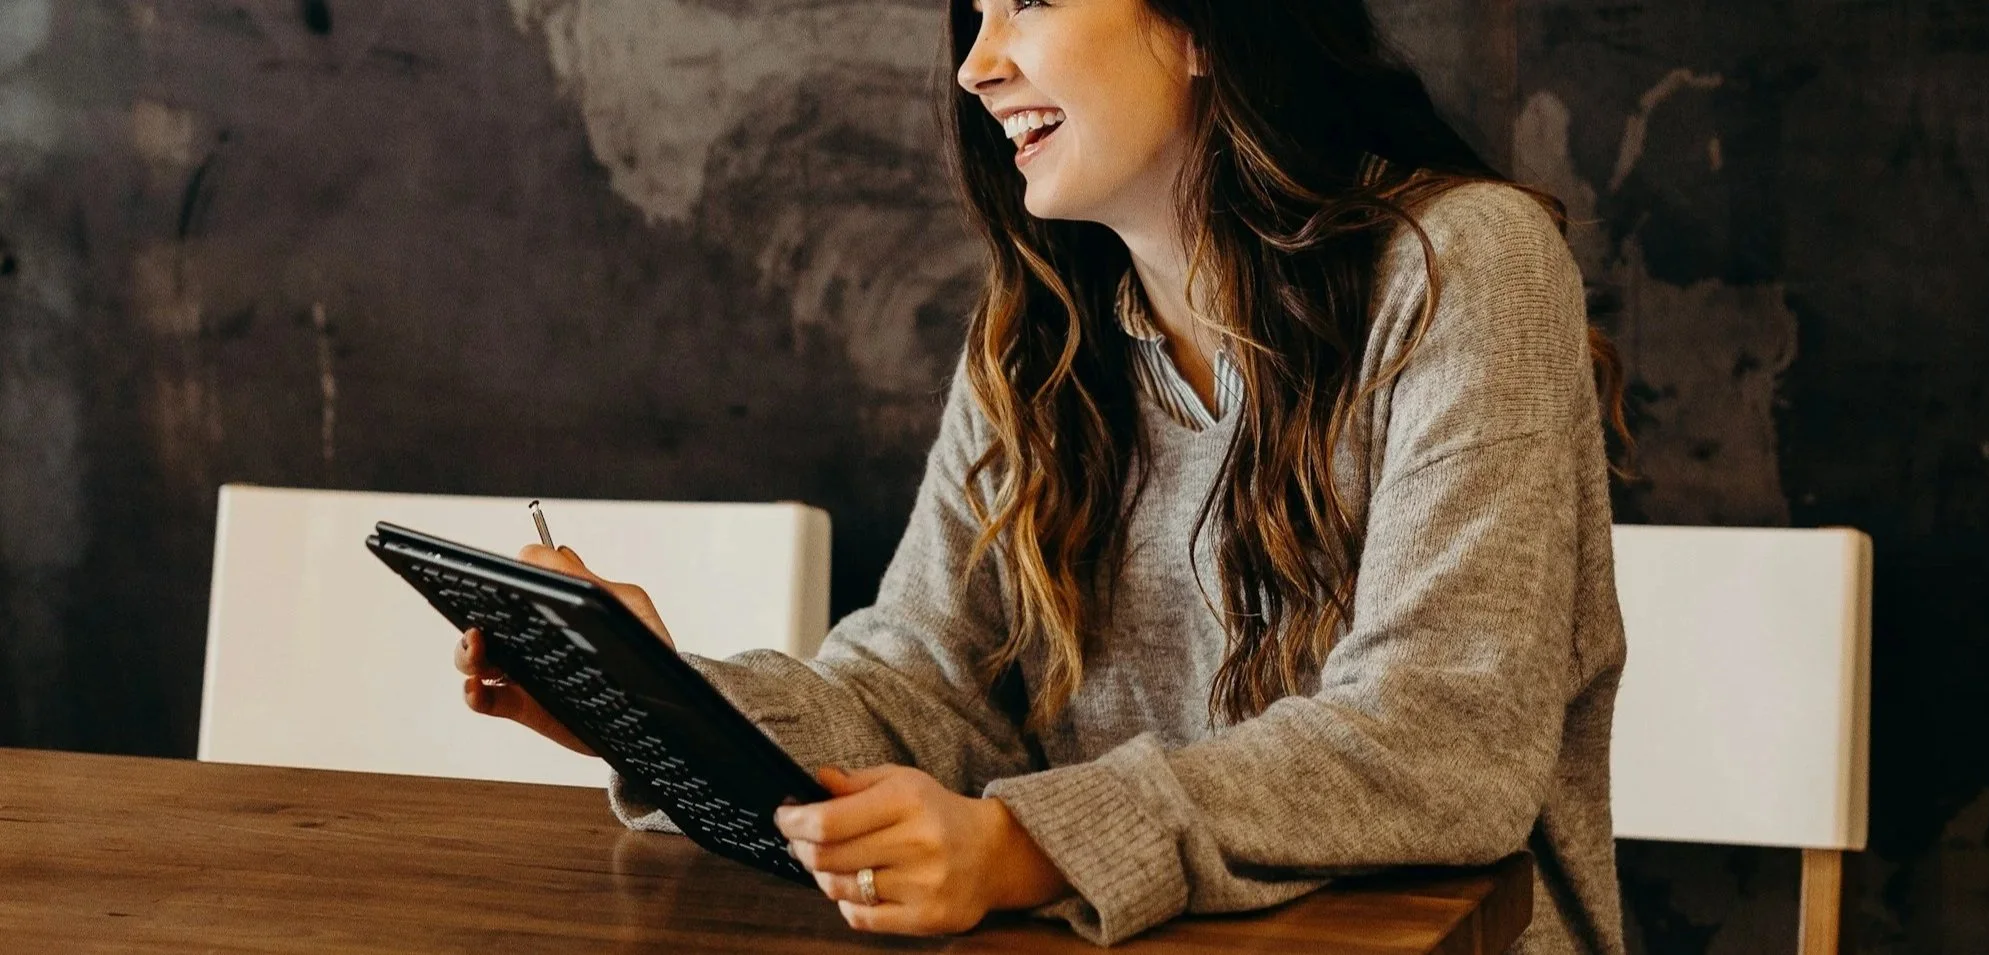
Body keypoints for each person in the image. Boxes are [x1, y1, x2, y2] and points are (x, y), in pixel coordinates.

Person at [452, 1, 1630, 951]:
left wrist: (1026, 847)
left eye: (1027, 1)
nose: (975, 64)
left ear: (1201, 26)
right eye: (972, 14)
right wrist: (660, 707)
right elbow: (920, 691)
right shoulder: (1036, 340)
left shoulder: (1464, 266)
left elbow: (1443, 741)